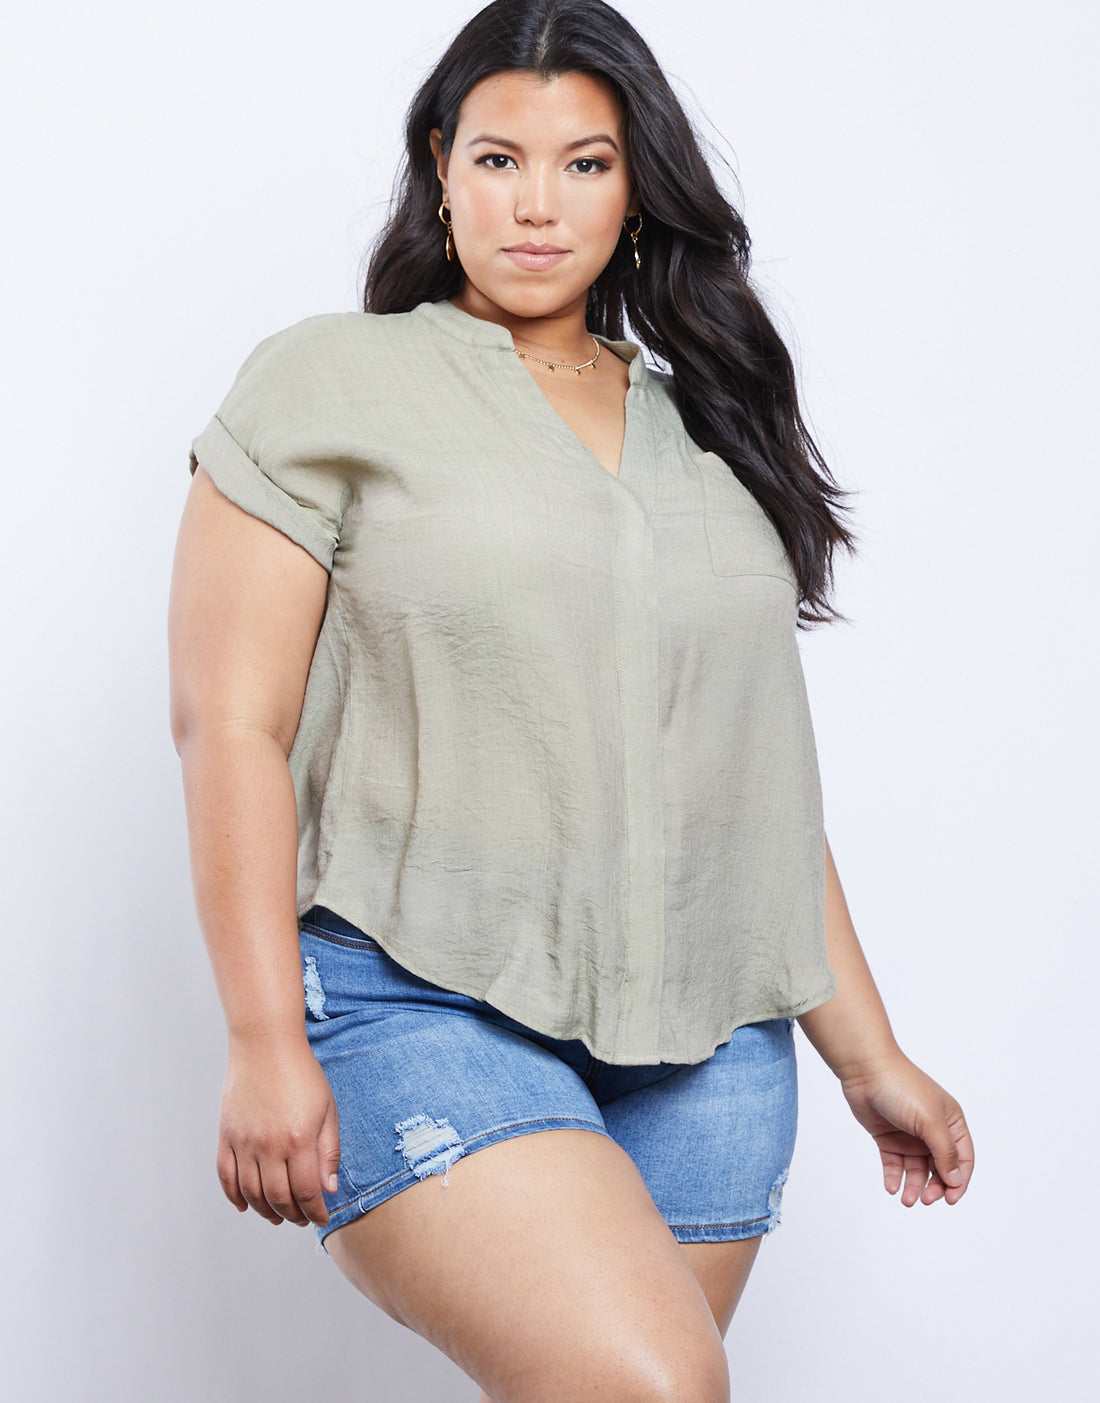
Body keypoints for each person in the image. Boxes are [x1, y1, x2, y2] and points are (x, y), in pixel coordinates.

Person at [168, 2, 974, 1399]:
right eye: (499, 159)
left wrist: (871, 1054)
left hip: (715, 1041)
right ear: (441, 167)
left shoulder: (708, 423)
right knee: (656, 1382)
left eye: (585, 164)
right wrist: (261, 1040)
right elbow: (230, 724)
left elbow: (748, 784)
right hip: (417, 998)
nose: (537, 204)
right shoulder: (329, 382)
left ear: (637, 186)